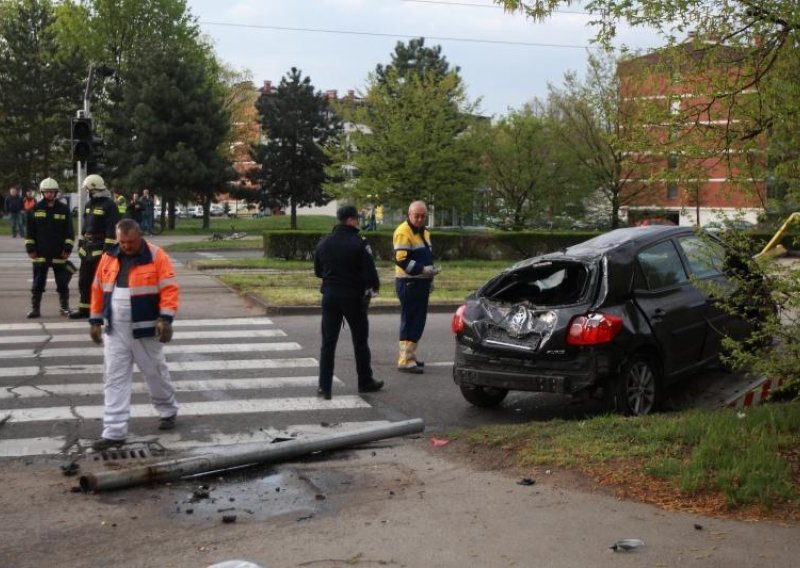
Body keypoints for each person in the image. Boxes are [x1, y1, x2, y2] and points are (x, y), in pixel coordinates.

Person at [88, 218, 179, 451]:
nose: (126, 246)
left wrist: (165, 319)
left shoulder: (157, 256)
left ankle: (167, 410)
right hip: (115, 328)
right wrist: (95, 320)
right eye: (122, 242)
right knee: (114, 377)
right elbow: (98, 289)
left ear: (139, 236)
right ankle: (114, 431)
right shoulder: (109, 257)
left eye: (130, 241)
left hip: (145, 328)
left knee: (154, 371)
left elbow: (169, 288)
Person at [313, 205, 384, 399]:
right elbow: (370, 274)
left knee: (328, 343)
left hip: (329, 296)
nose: (358, 222)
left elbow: (318, 271)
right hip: (353, 297)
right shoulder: (359, 243)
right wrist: (373, 287)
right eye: (357, 219)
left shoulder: (324, 242)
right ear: (351, 220)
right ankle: (365, 381)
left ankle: (324, 387)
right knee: (360, 340)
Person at [393, 200, 440, 373]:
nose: (420, 219)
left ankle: (410, 357)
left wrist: (430, 276)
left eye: (423, 216)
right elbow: (401, 259)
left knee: (417, 321)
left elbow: (427, 255)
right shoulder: (403, 232)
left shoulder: (424, 232)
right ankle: (405, 360)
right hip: (409, 283)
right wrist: (424, 270)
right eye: (416, 216)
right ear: (409, 214)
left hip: (420, 282)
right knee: (410, 320)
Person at [69, 174, 121, 319]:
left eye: (88, 190)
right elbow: (85, 226)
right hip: (87, 247)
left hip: (101, 248)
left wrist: (108, 250)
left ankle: (105, 309)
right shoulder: (89, 204)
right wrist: (80, 243)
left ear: (94, 189)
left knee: (103, 282)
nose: (87, 193)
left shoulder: (110, 205)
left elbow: (113, 229)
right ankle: (84, 309)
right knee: (84, 281)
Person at [23, 178, 75, 318]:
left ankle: (64, 308)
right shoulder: (35, 209)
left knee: (62, 283)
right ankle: (35, 309)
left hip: (59, 254)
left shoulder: (63, 210)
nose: (49, 194)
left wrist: (68, 249)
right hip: (40, 253)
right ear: (42, 192)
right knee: (38, 282)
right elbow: (30, 232)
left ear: (56, 193)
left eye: (52, 192)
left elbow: (69, 232)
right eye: (46, 192)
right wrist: (30, 248)